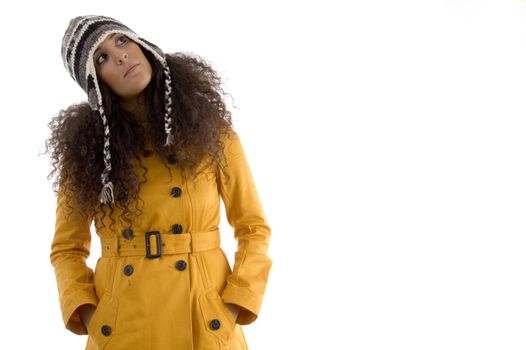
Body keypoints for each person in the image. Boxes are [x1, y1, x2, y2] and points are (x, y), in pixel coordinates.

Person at [46, 15, 272, 350]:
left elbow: (253, 228)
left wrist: (234, 305)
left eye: (121, 41)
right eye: (102, 57)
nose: (119, 56)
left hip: (204, 320)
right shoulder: (87, 155)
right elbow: (67, 249)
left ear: (141, 45)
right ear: (95, 82)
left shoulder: (211, 133)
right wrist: (96, 318)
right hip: (125, 327)